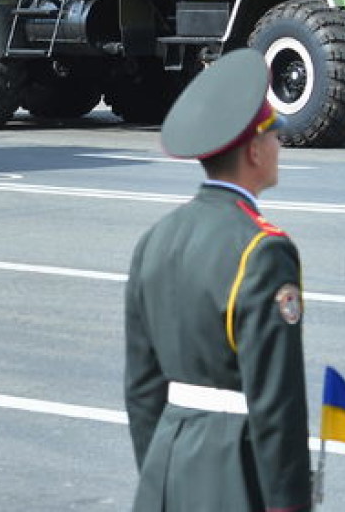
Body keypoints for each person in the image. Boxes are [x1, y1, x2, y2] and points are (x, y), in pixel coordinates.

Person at [125, 48, 312, 512]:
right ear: (253, 150)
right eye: (274, 137)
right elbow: (276, 400)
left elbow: (142, 388)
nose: (278, 148)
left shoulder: (155, 239)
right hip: (235, 472)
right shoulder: (263, 250)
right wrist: (288, 503)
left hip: (166, 466)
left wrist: (160, 468)